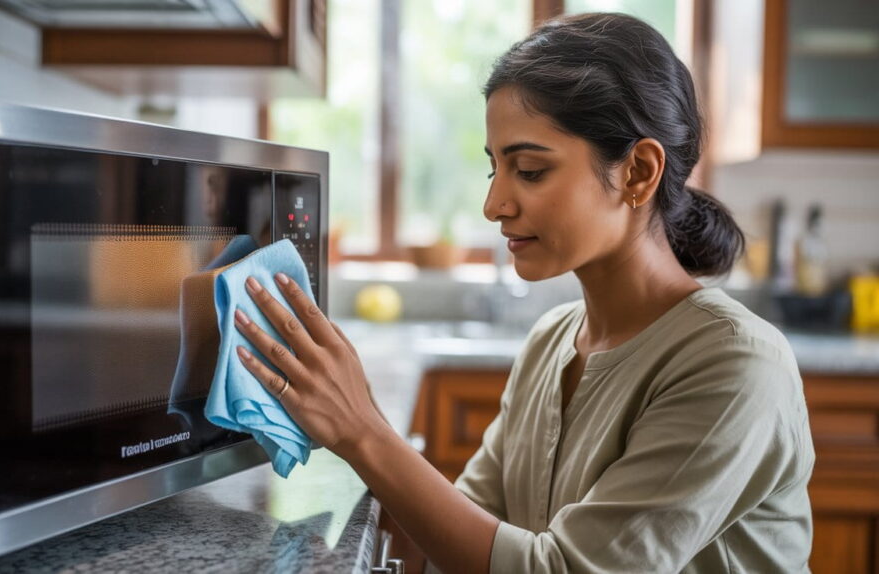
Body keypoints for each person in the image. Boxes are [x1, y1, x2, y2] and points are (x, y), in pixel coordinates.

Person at [231, 12, 814, 573]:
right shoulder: (551, 341)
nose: (494, 205)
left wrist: (364, 432)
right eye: (495, 169)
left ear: (638, 171)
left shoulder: (733, 362)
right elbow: (463, 539)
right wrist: (350, 417)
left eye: (530, 170)